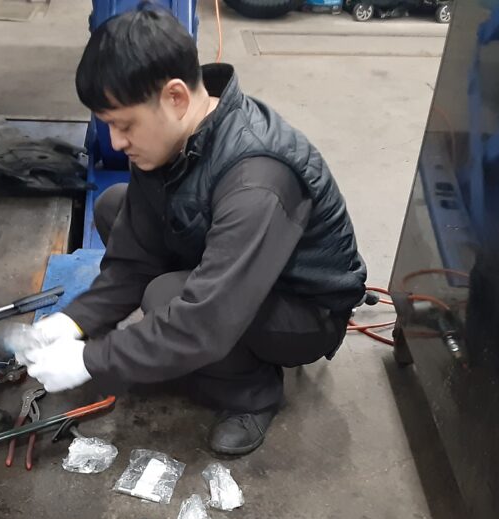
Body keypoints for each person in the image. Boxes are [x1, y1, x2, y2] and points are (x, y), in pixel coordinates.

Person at [19, 3, 367, 456]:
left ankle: (253, 393)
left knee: (166, 296)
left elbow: (206, 319)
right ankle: (181, 348)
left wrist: (92, 361)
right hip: (245, 272)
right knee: (114, 206)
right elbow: (134, 258)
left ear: (176, 98)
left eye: (125, 125)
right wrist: (75, 321)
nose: (118, 142)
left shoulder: (257, 178)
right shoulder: (167, 138)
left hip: (305, 311)